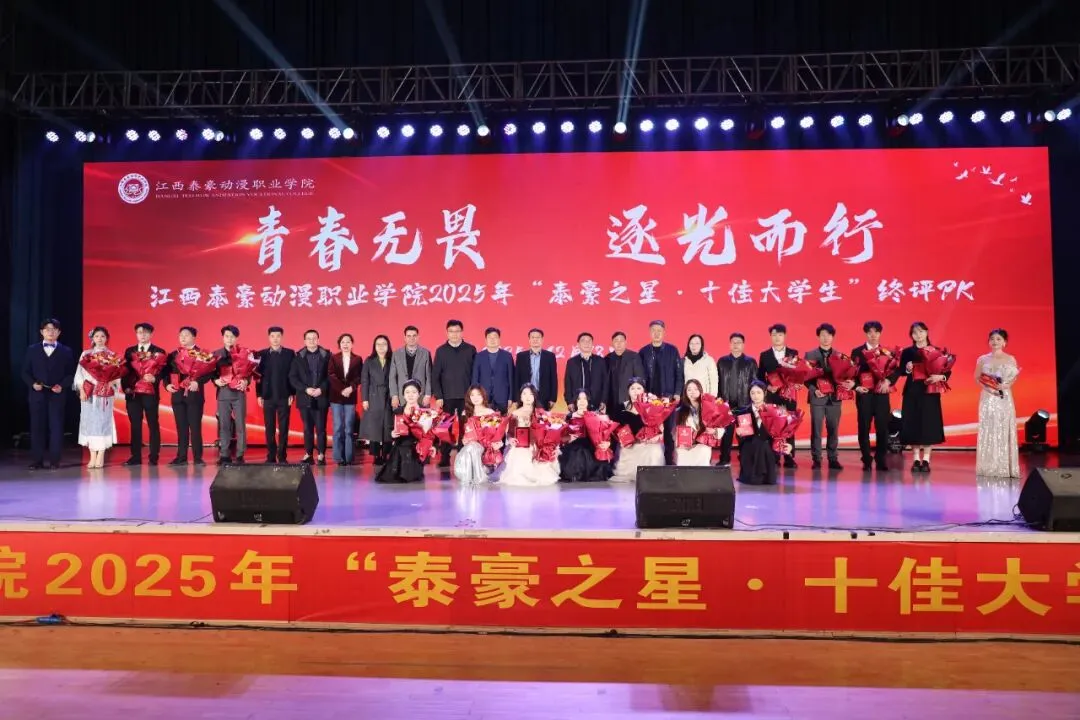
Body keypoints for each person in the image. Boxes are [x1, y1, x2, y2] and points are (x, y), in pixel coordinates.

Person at [22, 318, 76, 470]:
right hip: (37, 394)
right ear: (42, 332)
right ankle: (37, 460)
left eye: (54, 330)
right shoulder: (32, 349)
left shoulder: (66, 351)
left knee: (56, 427)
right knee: (37, 427)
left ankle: (54, 461)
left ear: (59, 332)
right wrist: (33, 384)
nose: (50, 332)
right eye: (47, 329)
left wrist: (62, 385)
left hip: (57, 394)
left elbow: (71, 374)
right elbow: (25, 372)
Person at [851, 320, 900, 471]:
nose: (873, 335)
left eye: (876, 332)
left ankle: (881, 459)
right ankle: (866, 459)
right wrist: (856, 386)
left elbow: (895, 371)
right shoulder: (857, 352)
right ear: (866, 334)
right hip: (864, 395)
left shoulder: (887, 352)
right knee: (863, 427)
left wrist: (888, 381)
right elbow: (851, 373)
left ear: (880, 333)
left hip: (881, 395)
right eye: (870, 332)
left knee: (882, 428)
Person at [900, 322, 949, 473]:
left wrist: (940, 377)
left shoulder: (936, 351)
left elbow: (946, 371)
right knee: (913, 424)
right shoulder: (907, 352)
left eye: (921, 331)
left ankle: (926, 460)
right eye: (915, 333)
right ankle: (916, 459)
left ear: (927, 332)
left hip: (930, 391)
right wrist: (907, 368)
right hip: (912, 391)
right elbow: (901, 371)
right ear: (911, 336)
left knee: (929, 424)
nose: (918, 335)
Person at [165, 326, 215, 466]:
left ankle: (198, 458)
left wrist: (197, 382)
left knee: (195, 427)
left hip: (194, 395)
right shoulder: (173, 355)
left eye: (186, 335)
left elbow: (209, 373)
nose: (183, 337)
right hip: (178, 395)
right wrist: (167, 385)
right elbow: (165, 373)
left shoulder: (202, 355)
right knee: (181, 427)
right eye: (181, 335)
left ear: (194, 337)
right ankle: (181, 457)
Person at [975, 329, 1021, 478]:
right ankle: (988, 467)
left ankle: (1005, 467)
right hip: (988, 397)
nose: (995, 341)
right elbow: (977, 378)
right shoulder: (982, 359)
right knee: (988, 428)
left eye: (998, 339)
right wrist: (989, 388)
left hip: (1004, 397)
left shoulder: (1010, 359)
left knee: (1003, 427)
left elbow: (1013, 378)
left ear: (1004, 342)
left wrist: (1006, 386)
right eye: (992, 339)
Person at [431, 319, 477, 468]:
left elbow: (475, 373)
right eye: (451, 331)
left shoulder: (470, 349)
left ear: (462, 332)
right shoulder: (441, 351)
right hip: (447, 397)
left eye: (457, 331)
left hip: (466, 396)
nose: (454, 334)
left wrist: (474, 395)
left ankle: (465, 456)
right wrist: (438, 396)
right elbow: (435, 376)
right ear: (447, 333)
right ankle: (444, 457)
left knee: (466, 427)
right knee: (446, 428)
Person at [495, 383, 560, 486]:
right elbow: (510, 433)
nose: (527, 397)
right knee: (521, 455)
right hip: (521, 445)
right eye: (524, 394)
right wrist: (511, 439)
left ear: (534, 396)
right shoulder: (515, 414)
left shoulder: (541, 413)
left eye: (530, 394)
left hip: (537, 445)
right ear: (521, 397)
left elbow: (548, 431)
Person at [74, 326, 120, 468]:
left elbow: (117, 377)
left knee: (102, 423)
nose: (100, 339)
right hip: (89, 392)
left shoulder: (112, 355)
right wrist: (81, 390)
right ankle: (92, 455)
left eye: (102, 336)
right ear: (92, 338)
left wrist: (110, 382)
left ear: (107, 338)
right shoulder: (86, 354)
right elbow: (79, 374)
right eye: (97, 336)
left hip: (104, 394)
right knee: (89, 423)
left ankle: (101, 454)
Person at [121, 322, 166, 466]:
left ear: (151, 334)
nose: (142, 335)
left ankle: (154, 456)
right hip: (133, 394)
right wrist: (126, 388)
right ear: (136, 334)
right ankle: (135, 457)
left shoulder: (159, 352)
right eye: (140, 332)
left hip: (150, 393)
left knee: (153, 424)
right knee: (135, 425)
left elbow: (164, 372)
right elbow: (124, 372)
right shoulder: (130, 351)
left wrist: (155, 378)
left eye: (146, 332)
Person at [638, 321, 682, 464]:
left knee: (668, 431)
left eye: (659, 330)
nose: (656, 333)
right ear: (649, 333)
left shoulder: (672, 350)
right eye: (653, 330)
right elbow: (640, 376)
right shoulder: (643, 352)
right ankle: (652, 462)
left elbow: (679, 373)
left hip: (667, 398)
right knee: (650, 430)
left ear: (664, 333)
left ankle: (669, 461)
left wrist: (677, 392)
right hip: (650, 399)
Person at [805, 323, 847, 470]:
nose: (825, 338)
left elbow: (844, 376)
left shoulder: (839, 356)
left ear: (833, 337)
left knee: (833, 429)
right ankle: (816, 459)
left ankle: (833, 458)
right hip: (817, 397)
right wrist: (813, 389)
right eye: (822, 335)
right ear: (818, 337)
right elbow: (805, 377)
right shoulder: (810, 355)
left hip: (834, 398)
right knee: (816, 429)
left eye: (829, 335)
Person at [757, 323, 799, 468]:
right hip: (773, 396)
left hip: (789, 396)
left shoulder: (793, 353)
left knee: (790, 425)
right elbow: (760, 377)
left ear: (784, 336)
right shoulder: (765, 355)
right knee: (773, 426)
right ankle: (773, 457)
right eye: (774, 335)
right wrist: (768, 387)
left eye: (780, 335)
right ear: (770, 337)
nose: (777, 338)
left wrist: (797, 383)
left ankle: (789, 457)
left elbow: (798, 374)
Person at [734, 381, 790, 486]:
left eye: (758, 392)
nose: (755, 396)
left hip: (767, 447)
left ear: (765, 393)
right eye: (752, 393)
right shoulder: (742, 412)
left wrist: (787, 445)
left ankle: (765, 475)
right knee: (756, 443)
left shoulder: (776, 410)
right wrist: (739, 434)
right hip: (750, 447)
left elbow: (783, 431)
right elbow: (742, 439)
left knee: (763, 444)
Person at [609, 377, 665, 482]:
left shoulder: (652, 406)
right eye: (632, 388)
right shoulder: (621, 407)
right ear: (628, 391)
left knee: (655, 451)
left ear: (644, 391)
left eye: (639, 388)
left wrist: (656, 437)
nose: (635, 391)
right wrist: (621, 440)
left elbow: (662, 430)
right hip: (629, 445)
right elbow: (615, 429)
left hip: (647, 444)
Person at [289, 329, 331, 465]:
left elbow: (331, 376)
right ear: (304, 341)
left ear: (318, 340)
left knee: (320, 428)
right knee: (307, 428)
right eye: (309, 338)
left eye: (314, 338)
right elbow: (293, 377)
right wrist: (305, 389)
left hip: (321, 397)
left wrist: (321, 389)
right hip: (304, 397)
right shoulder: (298, 357)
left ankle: (321, 454)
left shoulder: (327, 356)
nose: (311, 341)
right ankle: (308, 454)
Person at [375, 379, 428, 484]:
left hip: (417, 448)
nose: (410, 395)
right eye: (407, 392)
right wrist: (392, 434)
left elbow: (430, 433)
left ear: (419, 394)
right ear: (403, 395)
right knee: (392, 476)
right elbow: (390, 430)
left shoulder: (425, 412)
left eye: (414, 392)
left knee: (412, 477)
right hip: (400, 446)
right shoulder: (398, 411)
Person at [716, 332, 757, 467]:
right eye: (733, 342)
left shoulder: (750, 362)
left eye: (739, 342)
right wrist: (718, 401)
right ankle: (724, 458)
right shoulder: (722, 362)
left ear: (743, 345)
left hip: (744, 404)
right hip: (726, 405)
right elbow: (717, 382)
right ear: (730, 344)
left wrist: (753, 402)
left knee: (744, 434)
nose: (736, 345)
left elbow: (755, 383)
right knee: (726, 435)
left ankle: (745, 458)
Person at [255, 326, 295, 464]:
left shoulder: (289, 354)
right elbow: (257, 376)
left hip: (284, 396)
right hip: (268, 396)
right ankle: (271, 456)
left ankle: (282, 456)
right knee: (269, 428)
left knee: (284, 428)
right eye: (273, 336)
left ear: (282, 337)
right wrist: (259, 394)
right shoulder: (261, 354)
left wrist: (292, 393)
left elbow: (292, 375)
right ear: (269, 337)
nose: (275, 339)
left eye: (278, 336)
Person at [558, 389, 614, 482]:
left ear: (588, 401)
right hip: (573, 445)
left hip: (591, 444)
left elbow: (604, 433)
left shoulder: (595, 415)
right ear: (576, 401)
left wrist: (607, 443)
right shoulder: (569, 416)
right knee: (576, 452)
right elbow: (562, 435)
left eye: (585, 399)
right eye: (579, 399)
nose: (582, 401)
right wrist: (568, 438)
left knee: (585, 452)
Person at [212, 325, 248, 465]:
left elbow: (249, 372)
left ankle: (240, 454)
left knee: (240, 426)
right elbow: (211, 373)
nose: (229, 339)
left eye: (232, 336)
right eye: (227, 336)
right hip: (223, 393)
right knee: (224, 425)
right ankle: (224, 455)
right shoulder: (216, 354)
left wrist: (246, 381)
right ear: (223, 338)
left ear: (236, 338)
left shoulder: (243, 353)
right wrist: (215, 380)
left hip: (238, 393)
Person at [453, 384, 504, 485]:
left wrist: (498, 443)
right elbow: (462, 435)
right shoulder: (465, 413)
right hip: (469, 451)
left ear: (483, 396)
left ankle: (474, 478)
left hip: (486, 452)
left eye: (478, 394)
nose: (475, 398)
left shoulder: (490, 413)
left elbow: (496, 435)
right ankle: (471, 476)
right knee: (471, 447)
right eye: (472, 395)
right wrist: (463, 440)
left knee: (473, 447)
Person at [328, 333, 362, 466]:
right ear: (339, 344)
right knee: (338, 427)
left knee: (349, 428)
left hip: (350, 397)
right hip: (336, 397)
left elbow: (359, 377)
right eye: (343, 342)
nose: (345, 344)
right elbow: (331, 375)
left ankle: (349, 457)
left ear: (352, 344)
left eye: (348, 342)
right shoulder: (333, 358)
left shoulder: (357, 359)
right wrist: (342, 389)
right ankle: (338, 458)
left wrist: (351, 388)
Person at [359, 334, 394, 464]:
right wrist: (365, 399)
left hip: (389, 395)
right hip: (373, 396)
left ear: (388, 346)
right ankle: (376, 455)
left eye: (384, 344)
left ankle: (385, 454)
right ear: (374, 346)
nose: (381, 347)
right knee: (374, 427)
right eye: (378, 344)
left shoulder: (392, 359)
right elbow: (365, 380)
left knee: (387, 426)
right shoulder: (369, 361)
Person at [674, 380, 720, 467]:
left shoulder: (709, 408)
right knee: (680, 453)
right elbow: (675, 432)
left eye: (695, 389)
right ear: (685, 392)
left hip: (701, 444)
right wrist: (679, 443)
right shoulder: (679, 411)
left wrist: (714, 431)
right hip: (685, 446)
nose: (692, 392)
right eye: (689, 390)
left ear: (700, 391)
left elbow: (721, 428)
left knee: (703, 450)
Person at [472, 327, 515, 413]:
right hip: (483, 397)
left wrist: (511, 398)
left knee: (503, 420)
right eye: (490, 337)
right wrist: (475, 396)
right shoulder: (479, 356)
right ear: (485, 340)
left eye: (495, 337)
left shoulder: (507, 356)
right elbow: (475, 378)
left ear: (499, 339)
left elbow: (511, 378)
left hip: (502, 397)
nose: (492, 340)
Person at [388, 325, 432, 409]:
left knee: (421, 417)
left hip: (421, 396)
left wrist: (428, 394)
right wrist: (394, 395)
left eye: (414, 335)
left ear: (418, 337)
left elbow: (429, 376)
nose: (412, 338)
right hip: (402, 397)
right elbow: (392, 377)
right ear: (404, 337)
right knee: (402, 417)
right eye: (409, 336)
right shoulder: (396, 354)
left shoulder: (425, 353)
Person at [514, 328, 558, 410]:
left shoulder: (550, 356)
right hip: (525, 395)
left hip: (544, 396)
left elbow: (553, 378)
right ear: (529, 340)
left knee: (542, 417)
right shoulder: (521, 356)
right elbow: (517, 378)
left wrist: (553, 398)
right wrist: (516, 398)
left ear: (542, 340)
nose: (535, 339)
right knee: (525, 416)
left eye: (538, 337)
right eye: (533, 337)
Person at [563, 332, 608, 411]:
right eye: (583, 341)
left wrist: (604, 400)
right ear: (578, 344)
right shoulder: (571, 362)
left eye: (589, 341)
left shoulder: (600, 361)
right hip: (577, 403)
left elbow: (605, 382)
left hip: (596, 404)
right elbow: (568, 383)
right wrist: (569, 401)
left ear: (592, 344)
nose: (586, 343)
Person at [605, 331, 644, 411]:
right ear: (612, 343)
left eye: (621, 341)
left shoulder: (634, 357)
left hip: (629, 400)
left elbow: (640, 379)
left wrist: (636, 398)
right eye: (616, 341)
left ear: (625, 342)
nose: (619, 343)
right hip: (611, 401)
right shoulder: (607, 358)